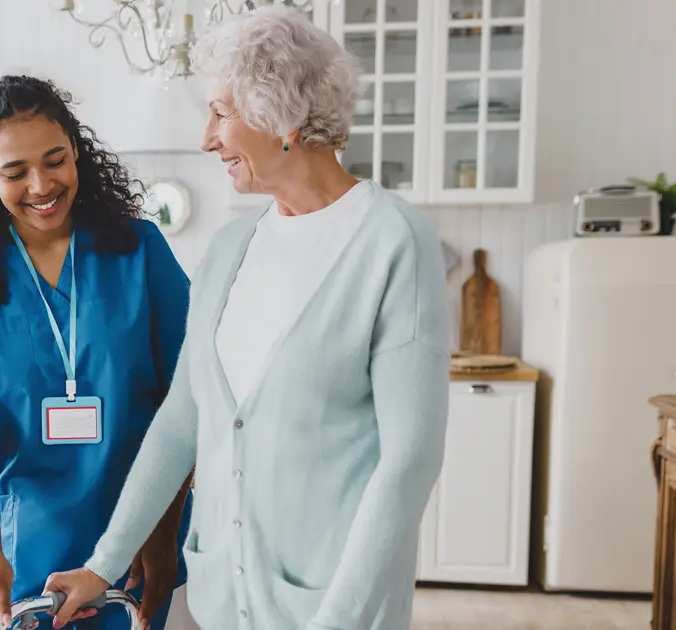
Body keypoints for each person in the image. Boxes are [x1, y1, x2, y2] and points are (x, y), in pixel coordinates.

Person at [44, 5, 450, 630]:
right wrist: (104, 564)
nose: (207, 138)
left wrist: (338, 620)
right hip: (222, 599)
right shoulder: (230, 249)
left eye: (221, 113)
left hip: (331, 607)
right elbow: (183, 418)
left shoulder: (392, 241)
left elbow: (409, 460)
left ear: (278, 113)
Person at [0, 75, 194, 630]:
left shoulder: (140, 250)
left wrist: (161, 533)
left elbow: (187, 400)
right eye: (15, 171)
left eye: (55, 161)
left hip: (137, 529)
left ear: (77, 151)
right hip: (25, 543)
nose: (41, 185)